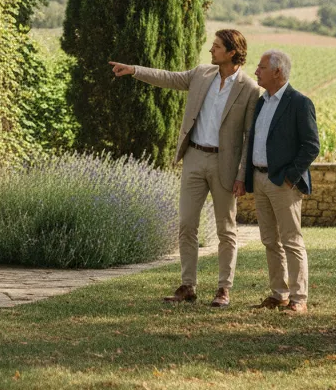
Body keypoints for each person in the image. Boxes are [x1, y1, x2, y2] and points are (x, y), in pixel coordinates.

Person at [110, 29, 259, 308]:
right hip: (193, 158)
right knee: (186, 225)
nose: (210, 50)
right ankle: (188, 286)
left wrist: (242, 176)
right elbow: (169, 78)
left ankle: (224, 289)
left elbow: (248, 137)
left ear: (231, 52)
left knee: (226, 230)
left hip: (224, 165)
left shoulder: (249, 89)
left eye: (216, 47)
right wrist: (134, 70)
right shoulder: (202, 74)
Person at [245, 49, 320, 314]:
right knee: (269, 240)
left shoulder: (299, 103)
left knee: (291, 240)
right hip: (259, 178)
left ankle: (299, 298)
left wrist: (290, 176)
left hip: (283, 183)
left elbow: (311, 146)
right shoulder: (262, 102)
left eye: (261, 67)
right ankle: (279, 294)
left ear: (278, 71)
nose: (256, 72)